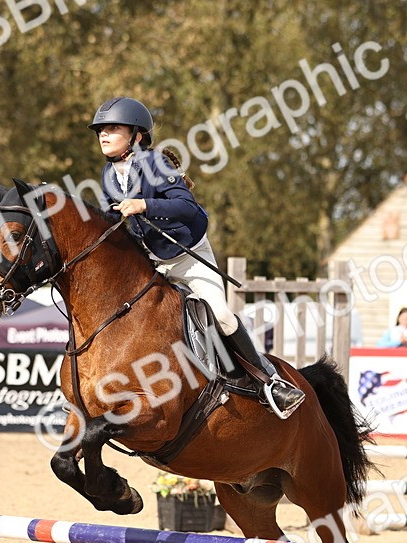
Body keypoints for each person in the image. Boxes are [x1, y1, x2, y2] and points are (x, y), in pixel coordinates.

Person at [89, 96, 305, 419]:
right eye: (101, 130)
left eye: (113, 128)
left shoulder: (155, 164)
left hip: (187, 256)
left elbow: (189, 208)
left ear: (136, 135)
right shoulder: (108, 175)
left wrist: (143, 205)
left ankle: (268, 382)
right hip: (151, 262)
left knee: (222, 315)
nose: (104, 134)